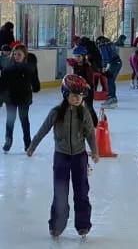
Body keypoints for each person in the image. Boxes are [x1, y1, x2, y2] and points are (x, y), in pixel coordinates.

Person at [26, 74, 99, 238]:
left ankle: (83, 225)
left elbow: (90, 134)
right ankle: (57, 225)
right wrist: (32, 146)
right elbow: (43, 130)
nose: (78, 99)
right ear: (66, 94)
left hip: (79, 157)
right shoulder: (56, 112)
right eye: (74, 95)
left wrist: (94, 151)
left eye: (80, 95)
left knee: (81, 192)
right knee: (60, 192)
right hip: (61, 157)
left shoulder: (84, 112)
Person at [0, 44, 40, 152]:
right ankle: (8, 140)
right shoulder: (8, 68)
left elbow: (35, 78)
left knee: (24, 120)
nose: (16, 56)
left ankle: (28, 143)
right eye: (14, 54)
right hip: (10, 98)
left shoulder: (29, 68)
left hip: (24, 98)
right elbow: (2, 84)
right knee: (10, 120)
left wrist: (36, 86)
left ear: (24, 56)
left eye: (19, 54)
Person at [67, 46, 98, 126]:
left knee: (88, 107)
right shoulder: (75, 65)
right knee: (77, 107)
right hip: (78, 89)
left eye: (79, 56)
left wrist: (85, 84)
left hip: (87, 90)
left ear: (84, 56)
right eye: (75, 56)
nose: (77, 58)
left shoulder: (87, 66)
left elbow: (89, 81)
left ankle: (95, 124)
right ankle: (80, 123)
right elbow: (73, 76)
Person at [96, 36, 122, 108]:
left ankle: (111, 98)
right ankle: (113, 98)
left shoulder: (102, 44)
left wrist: (104, 67)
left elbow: (105, 57)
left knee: (110, 80)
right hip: (118, 62)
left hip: (114, 63)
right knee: (111, 80)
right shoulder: (109, 43)